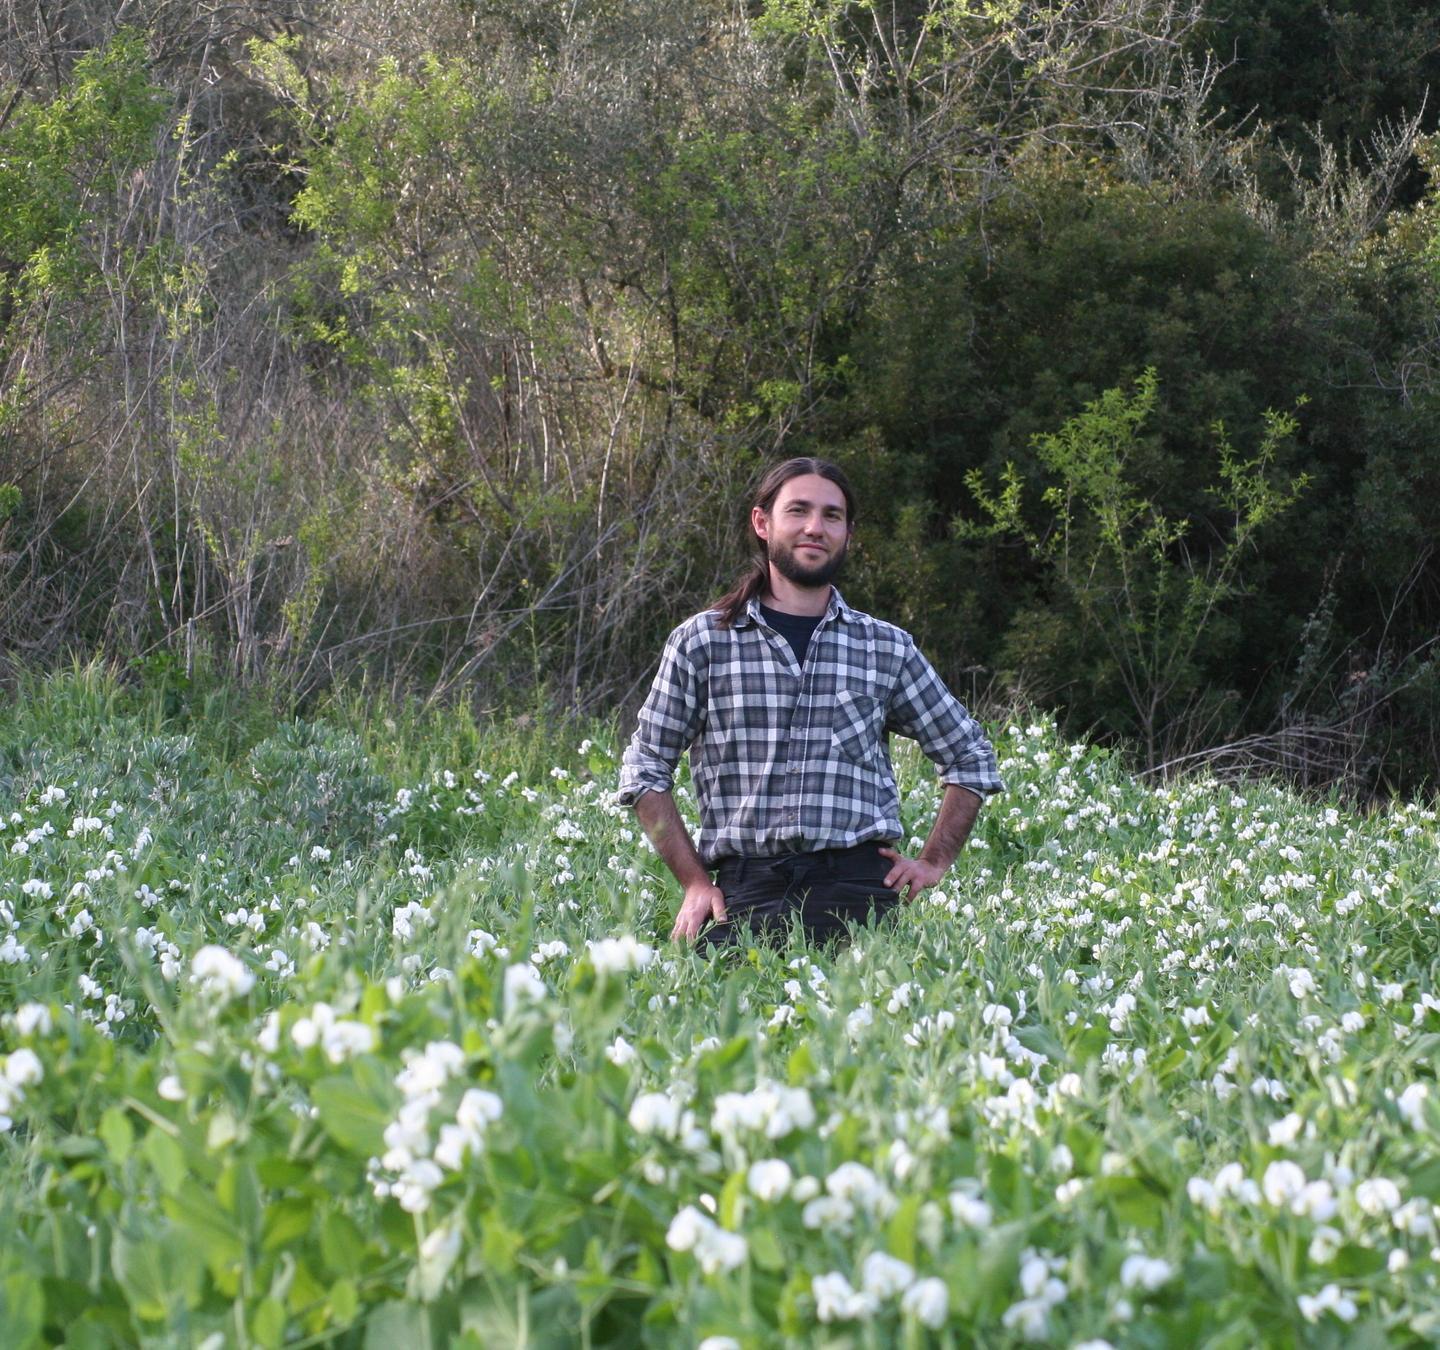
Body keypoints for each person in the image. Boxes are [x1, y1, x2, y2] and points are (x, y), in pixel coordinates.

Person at [617, 456, 1002, 945]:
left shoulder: (884, 647)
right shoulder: (702, 642)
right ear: (763, 522)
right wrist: (694, 881)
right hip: (741, 895)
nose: (815, 528)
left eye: (832, 516)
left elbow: (970, 756)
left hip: (860, 894)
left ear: (848, 532)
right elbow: (644, 768)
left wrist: (933, 862)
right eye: (798, 510)